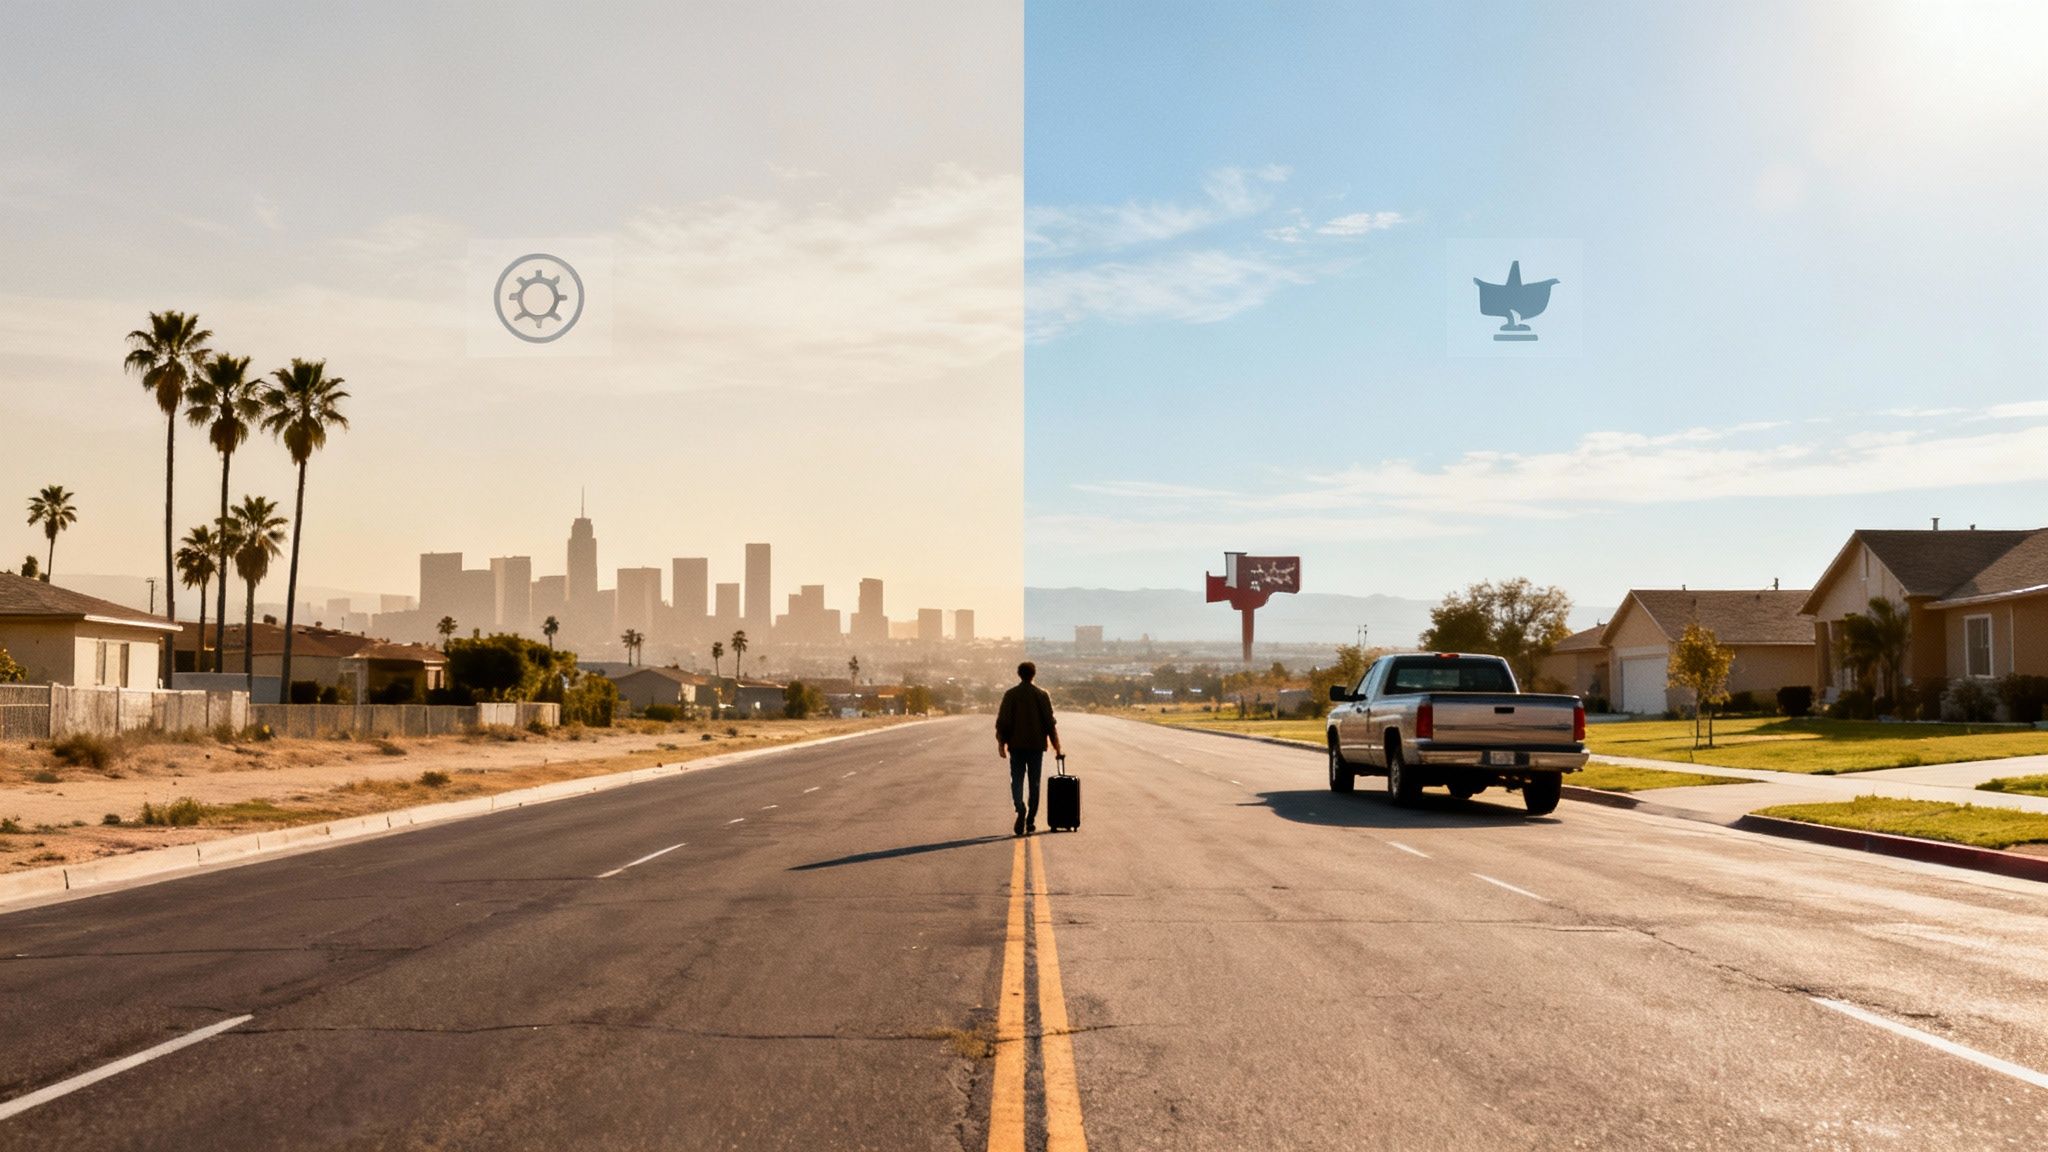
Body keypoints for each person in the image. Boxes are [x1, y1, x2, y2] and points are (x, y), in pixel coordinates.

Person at [995, 660, 1062, 836]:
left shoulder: (1010, 694)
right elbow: (1050, 724)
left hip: (1016, 746)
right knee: (1035, 783)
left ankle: (1020, 808)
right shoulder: (1042, 695)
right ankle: (1030, 820)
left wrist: (1001, 744)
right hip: (1036, 747)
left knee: (1016, 780)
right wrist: (1057, 748)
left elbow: (1003, 722)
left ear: (1019, 674)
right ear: (1034, 674)